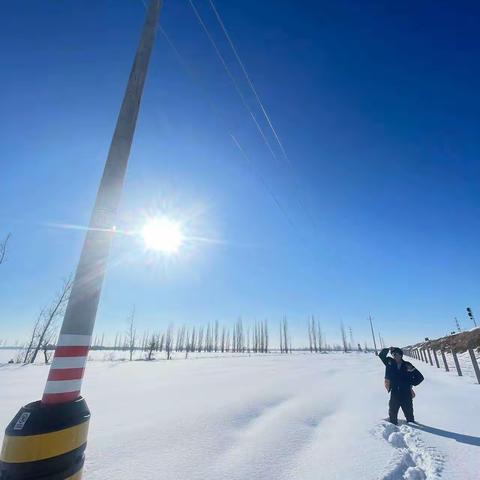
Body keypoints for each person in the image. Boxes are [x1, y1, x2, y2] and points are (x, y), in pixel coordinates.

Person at [379, 347, 424, 425]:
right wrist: (388, 349)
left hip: (406, 394)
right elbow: (381, 355)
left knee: (409, 416)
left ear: (400, 355)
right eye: (393, 354)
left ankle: (413, 431)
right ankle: (393, 427)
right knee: (392, 414)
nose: (394, 356)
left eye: (396, 354)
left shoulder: (407, 365)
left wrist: (410, 383)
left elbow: (420, 377)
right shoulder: (389, 362)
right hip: (394, 392)